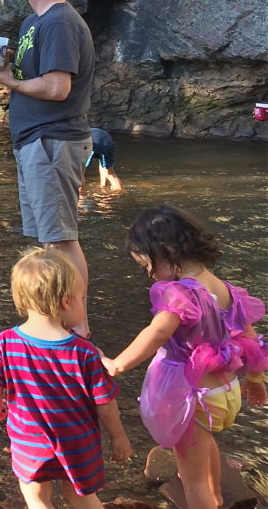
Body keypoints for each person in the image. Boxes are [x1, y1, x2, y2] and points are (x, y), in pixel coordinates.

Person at [101, 206, 265, 509]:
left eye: (147, 265)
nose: (148, 275)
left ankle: (206, 500)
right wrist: (255, 379)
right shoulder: (223, 287)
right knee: (207, 447)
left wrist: (117, 363)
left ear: (167, 251)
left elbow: (157, 333)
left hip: (193, 397)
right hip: (223, 394)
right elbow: (252, 339)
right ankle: (217, 498)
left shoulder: (179, 293)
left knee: (193, 480)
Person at [0, 0, 95, 336]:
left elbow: (57, 87)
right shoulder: (34, 23)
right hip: (34, 140)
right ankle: (55, 323)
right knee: (49, 241)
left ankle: (78, 332)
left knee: (62, 240)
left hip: (53, 140)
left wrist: (10, 81)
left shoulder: (60, 22)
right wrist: (6, 65)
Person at [0, 248, 131, 508]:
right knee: (82, 497)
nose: (83, 305)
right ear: (65, 301)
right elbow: (105, 404)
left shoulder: (6, 341)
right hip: (77, 445)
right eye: (81, 298)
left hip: (30, 441)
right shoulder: (83, 352)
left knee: (36, 497)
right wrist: (118, 437)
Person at [83, 127, 123, 192]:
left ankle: (81, 198)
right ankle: (107, 190)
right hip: (105, 139)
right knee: (109, 173)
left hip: (93, 143)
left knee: (79, 174)